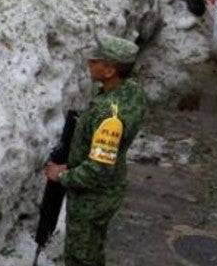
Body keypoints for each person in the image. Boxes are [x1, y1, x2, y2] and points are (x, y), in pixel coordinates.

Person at [45, 35, 147, 266]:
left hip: (92, 199)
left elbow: (97, 170)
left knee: (81, 257)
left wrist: (62, 175)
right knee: (93, 250)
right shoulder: (132, 91)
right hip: (109, 189)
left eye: (96, 60)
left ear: (110, 71)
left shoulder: (108, 116)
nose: (90, 62)